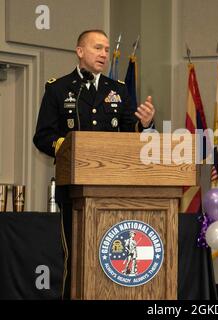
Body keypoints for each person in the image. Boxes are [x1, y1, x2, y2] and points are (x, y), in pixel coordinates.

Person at [33, 29, 155, 299]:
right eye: (97, 48)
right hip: (74, 190)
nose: (104, 54)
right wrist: (67, 147)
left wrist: (144, 124)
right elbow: (42, 136)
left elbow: (129, 133)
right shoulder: (59, 88)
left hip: (112, 190)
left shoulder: (118, 90)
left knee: (112, 257)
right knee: (76, 258)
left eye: (106, 49)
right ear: (80, 51)